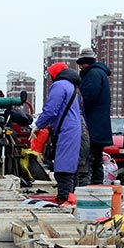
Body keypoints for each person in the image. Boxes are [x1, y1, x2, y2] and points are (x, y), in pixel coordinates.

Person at [32, 62, 82, 204]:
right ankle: (70, 198)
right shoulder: (72, 86)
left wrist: (37, 125)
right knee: (70, 166)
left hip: (66, 131)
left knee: (64, 168)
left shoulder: (60, 86)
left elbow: (51, 110)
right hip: (72, 129)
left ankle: (64, 199)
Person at [76, 47, 112, 185]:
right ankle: (97, 187)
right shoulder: (99, 73)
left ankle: (87, 190)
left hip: (92, 126)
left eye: (81, 63)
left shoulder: (93, 75)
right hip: (99, 126)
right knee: (96, 160)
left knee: (88, 160)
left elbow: (87, 99)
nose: (80, 67)